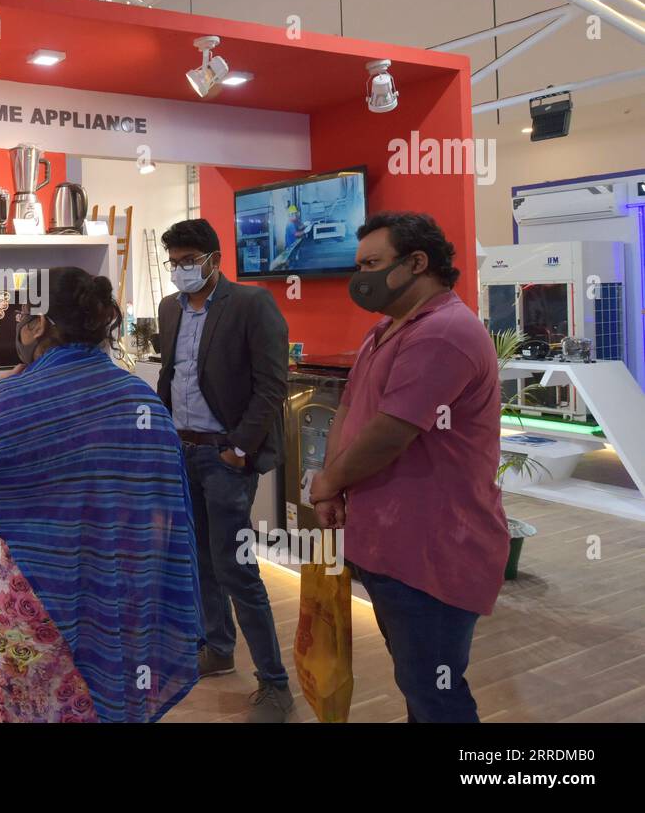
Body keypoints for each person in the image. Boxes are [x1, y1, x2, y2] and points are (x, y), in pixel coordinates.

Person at [0, 267, 202, 723]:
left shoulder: (15, 397)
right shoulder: (141, 400)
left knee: (35, 703)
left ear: (38, 325)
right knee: (99, 702)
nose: (17, 327)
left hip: (33, 594)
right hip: (118, 590)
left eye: (21, 317)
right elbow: (164, 508)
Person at [308, 211, 508, 723]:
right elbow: (351, 410)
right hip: (390, 544)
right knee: (418, 681)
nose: (361, 278)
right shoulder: (385, 331)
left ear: (417, 263)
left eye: (372, 263)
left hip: (435, 550)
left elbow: (391, 432)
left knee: (435, 692)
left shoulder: (443, 334)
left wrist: (329, 481)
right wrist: (331, 488)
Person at [157, 218, 293, 723]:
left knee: (235, 566)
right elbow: (173, 376)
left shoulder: (252, 305)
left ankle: (274, 683)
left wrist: (239, 449)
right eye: (174, 262)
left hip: (224, 457)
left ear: (213, 258)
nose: (181, 270)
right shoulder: (170, 308)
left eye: (188, 261)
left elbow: (271, 387)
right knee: (199, 559)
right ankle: (216, 650)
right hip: (183, 452)